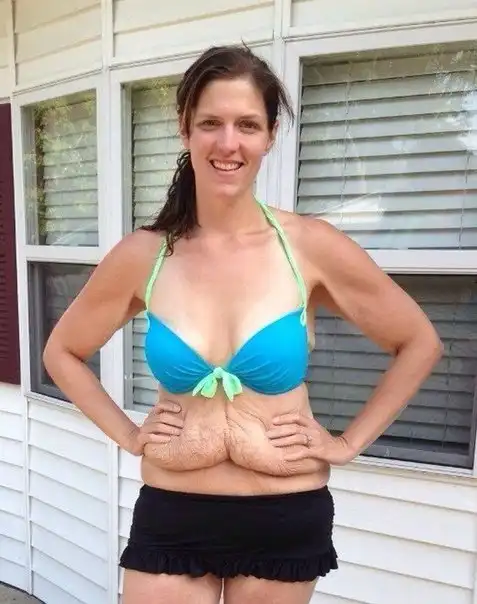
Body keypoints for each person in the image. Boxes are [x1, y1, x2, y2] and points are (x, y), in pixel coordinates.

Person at [43, 44, 443, 604]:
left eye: (247, 125)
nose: (228, 143)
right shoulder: (144, 255)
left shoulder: (310, 246)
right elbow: (62, 352)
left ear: (270, 135)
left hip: (285, 512)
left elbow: (418, 341)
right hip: (173, 514)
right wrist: (129, 436)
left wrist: (348, 442)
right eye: (211, 123)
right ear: (185, 129)